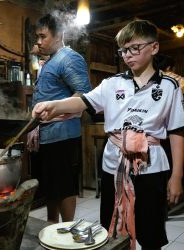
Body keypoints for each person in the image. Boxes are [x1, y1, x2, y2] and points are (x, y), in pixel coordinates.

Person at [32, 19, 184, 250]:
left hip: (151, 167)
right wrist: (54, 105)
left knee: (150, 230)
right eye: (123, 50)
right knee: (110, 228)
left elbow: (176, 131)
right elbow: (83, 101)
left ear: (154, 48)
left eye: (135, 48)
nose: (128, 55)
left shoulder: (168, 87)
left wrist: (176, 177)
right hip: (114, 165)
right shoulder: (112, 84)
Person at [27, 13, 91, 223]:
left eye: (43, 36)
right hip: (46, 134)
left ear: (58, 36)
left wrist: (56, 108)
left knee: (63, 185)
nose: (38, 41)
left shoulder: (69, 58)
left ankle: (67, 230)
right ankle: (51, 226)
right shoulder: (51, 60)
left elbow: (84, 95)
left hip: (62, 134)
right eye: (37, 36)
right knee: (51, 186)